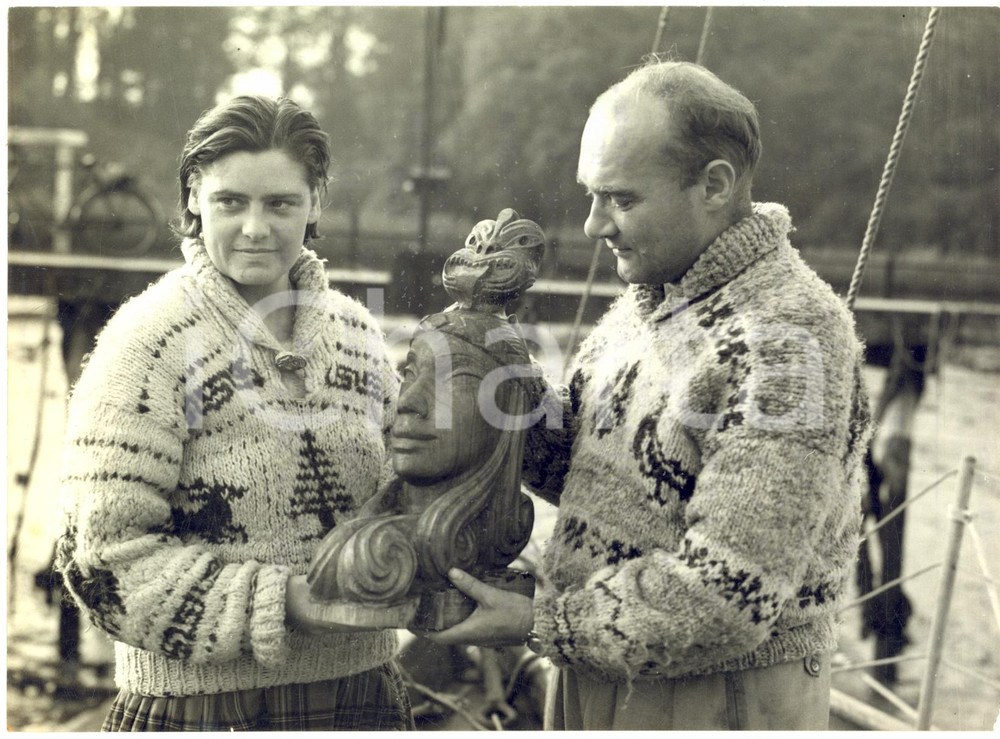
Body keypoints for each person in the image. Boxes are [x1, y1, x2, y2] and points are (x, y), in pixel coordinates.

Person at [425, 60, 872, 730]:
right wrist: (489, 382)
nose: (592, 225)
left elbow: (727, 594)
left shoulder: (788, 338)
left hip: (718, 695)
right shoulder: (652, 300)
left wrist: (538, 621)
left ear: (715, 185)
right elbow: (589, 470)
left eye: (621, 199)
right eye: (591, 195)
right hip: (603, 669)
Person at [56, 95, 413, 731]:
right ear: (194, 196)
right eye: (231, 202)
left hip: (364, 698)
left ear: (316, 203)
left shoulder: (358, 334)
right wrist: (290, 605)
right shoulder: (146, 341)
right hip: (199, 707)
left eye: (281, 203)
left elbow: (403, 497)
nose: (256, 228)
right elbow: (102, 563)